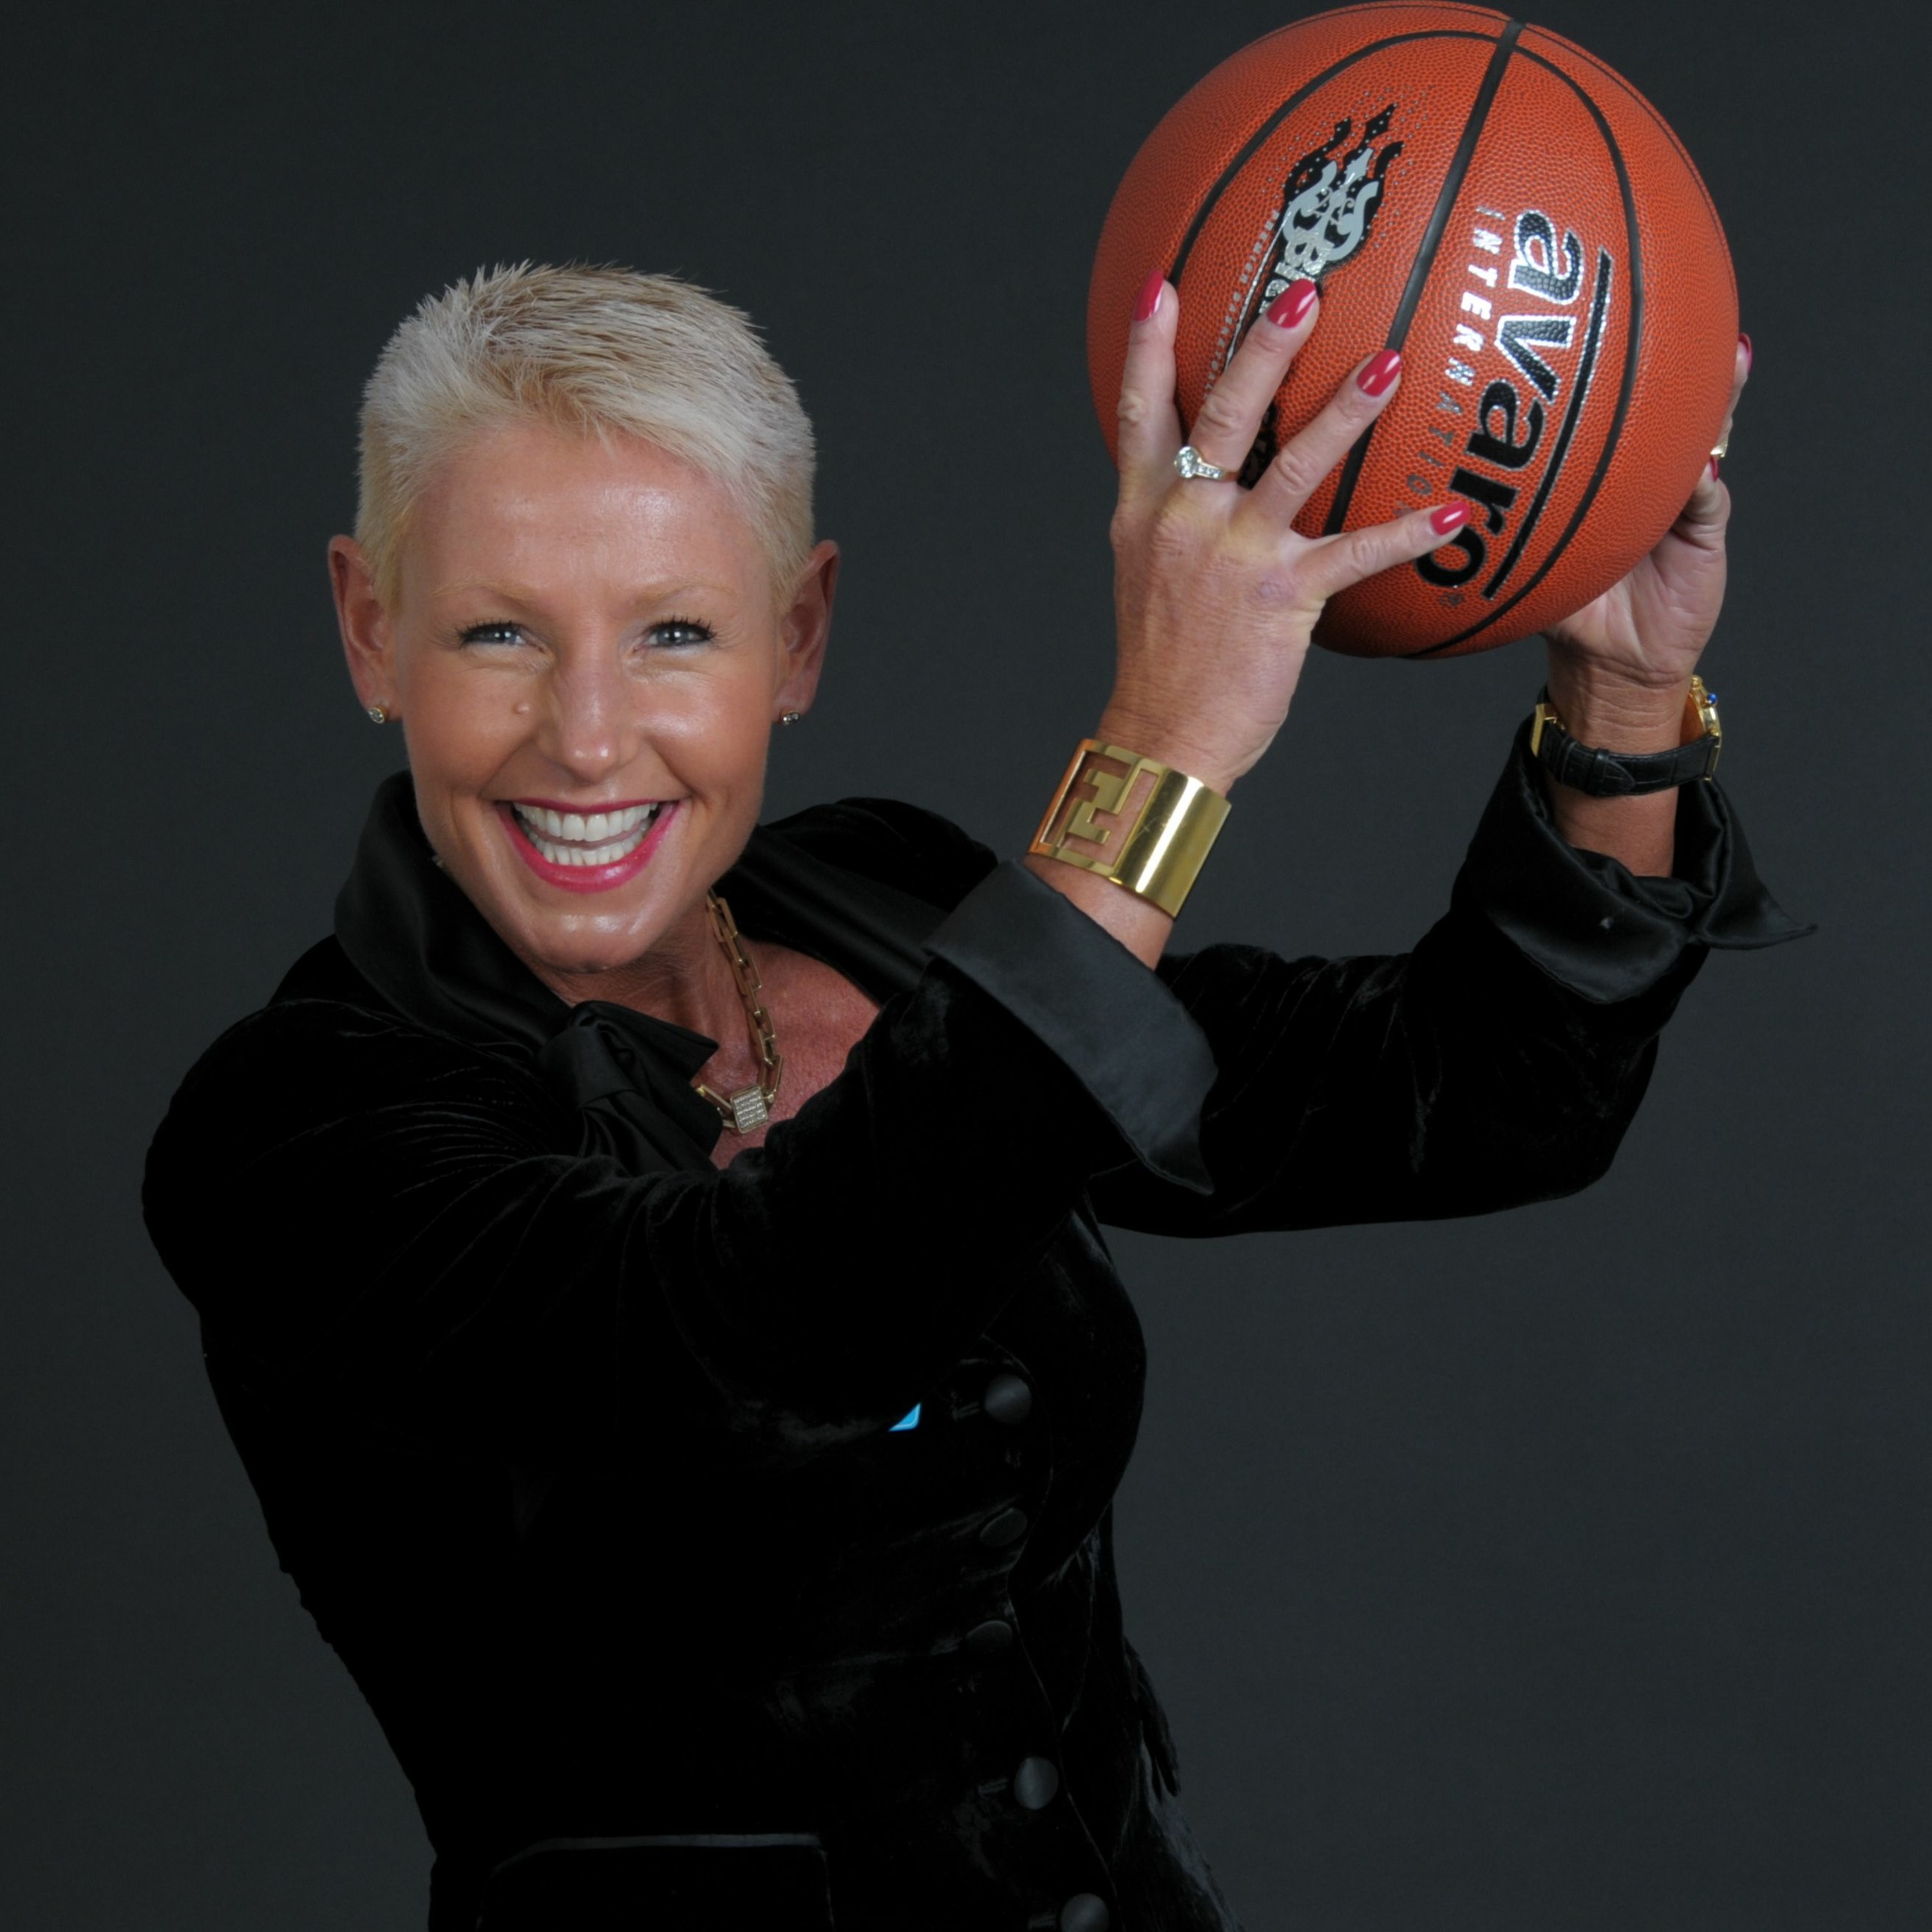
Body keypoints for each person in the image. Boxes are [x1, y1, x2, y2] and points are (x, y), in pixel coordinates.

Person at [142, 263, 1801, 1932]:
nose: (586, 739)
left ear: (798, 638)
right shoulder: (290, 1130)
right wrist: (1160, 753)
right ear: (372, 630)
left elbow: (1479, 1095)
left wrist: (1620, 701)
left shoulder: (882, 904)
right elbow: (756, 1342)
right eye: (499, 632)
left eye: (676, 634)